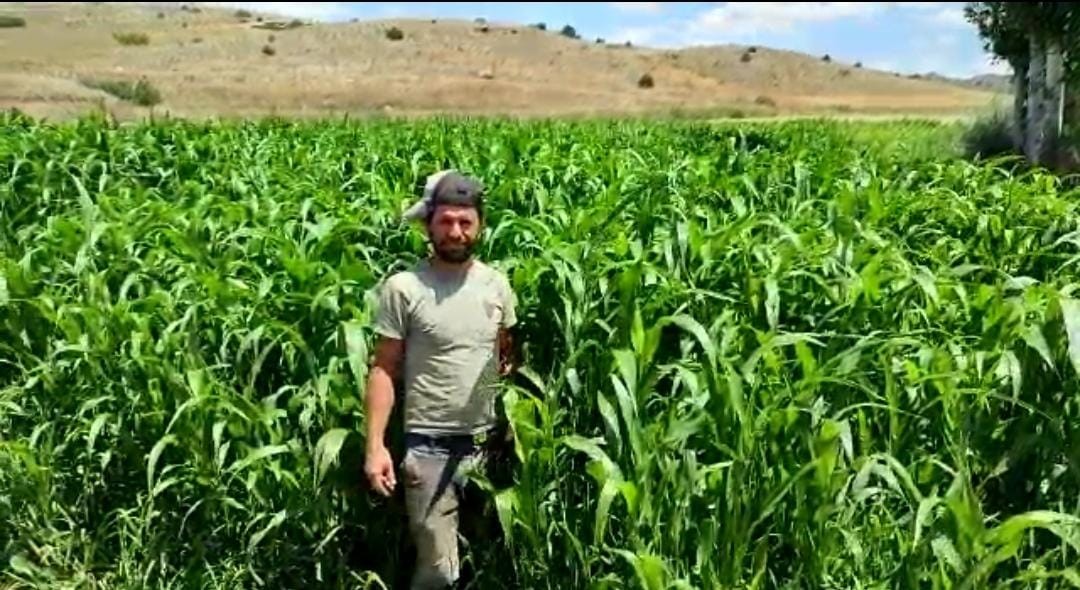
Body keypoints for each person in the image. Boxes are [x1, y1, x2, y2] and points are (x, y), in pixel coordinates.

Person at [363, 170, 517, 590]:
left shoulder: (497, 285)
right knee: (440, 573)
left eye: (465, 222)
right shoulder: (405, 288)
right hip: (428, 449)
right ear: (428, 225)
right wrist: (375, 446)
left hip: (487, 447)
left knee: (487, 565)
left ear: (480, 225)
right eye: (445, 221)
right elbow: (383, 369)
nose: (455, 232)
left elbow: (506, 356)